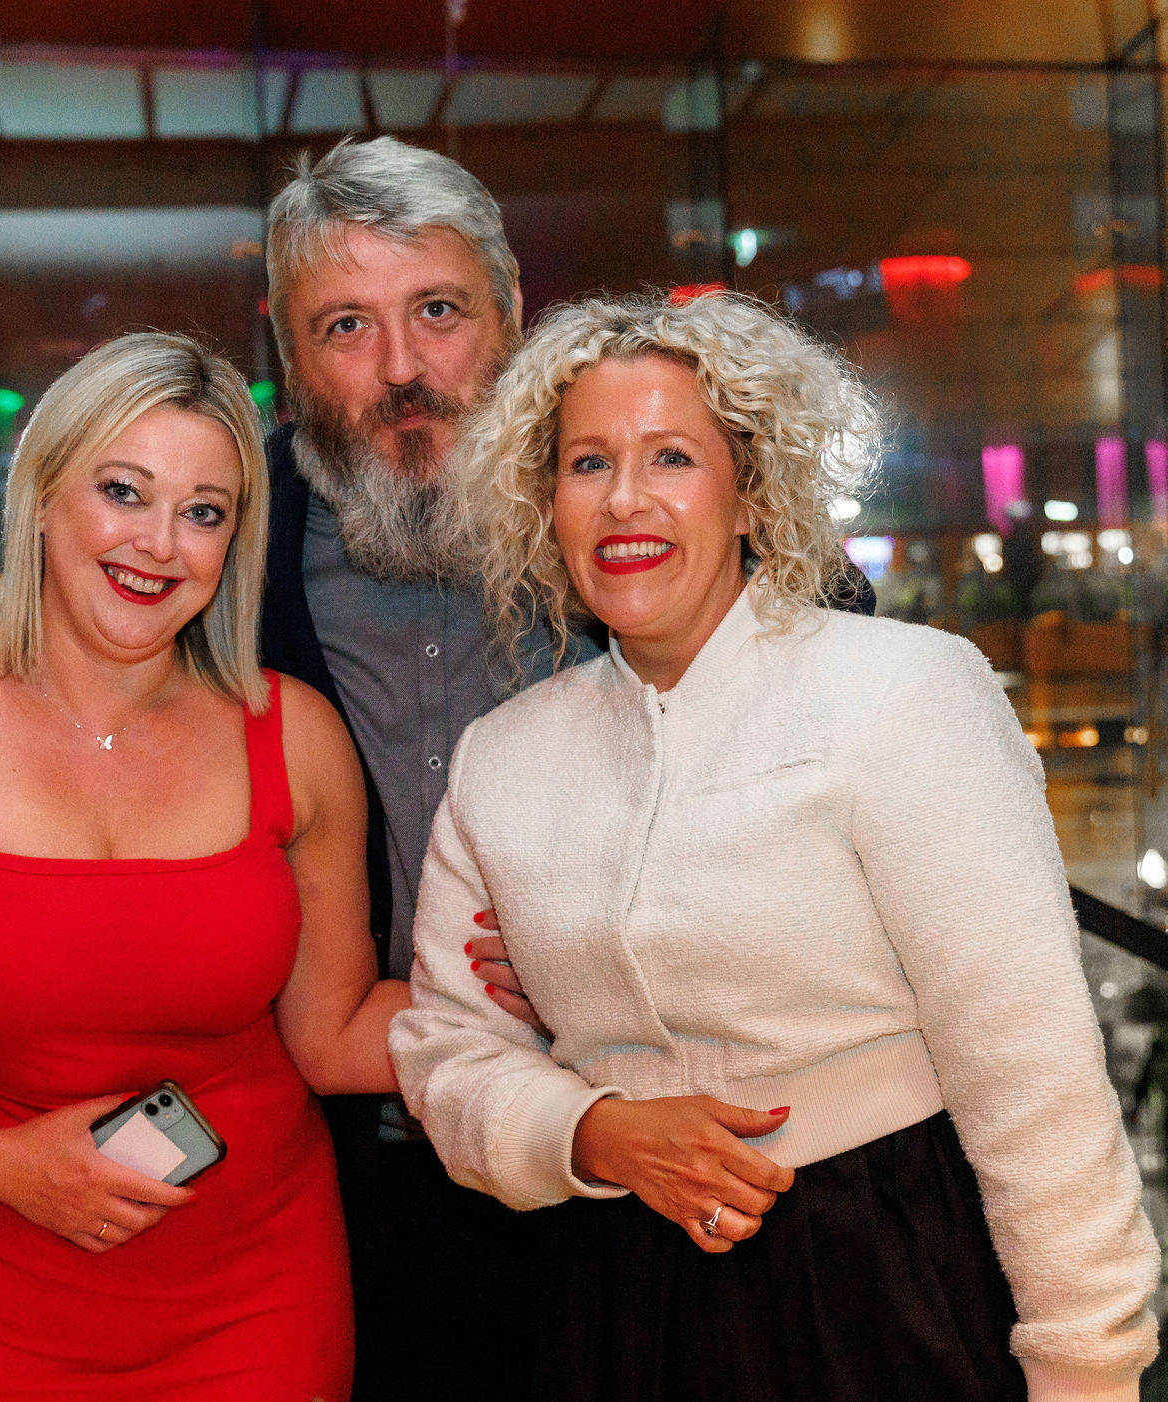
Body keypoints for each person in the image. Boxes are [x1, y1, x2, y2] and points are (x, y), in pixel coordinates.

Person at [390, 291, 1161, 1401]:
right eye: (588, 464)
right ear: (543, 505)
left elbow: (1028, 1064)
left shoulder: (903, 692)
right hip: (609, 1290)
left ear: (752, 494)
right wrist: (588, 1131)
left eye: (671, 456)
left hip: (886, 1265)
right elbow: (446, 1051)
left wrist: (1089, 1364)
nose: (624, 498)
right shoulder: (502, 757)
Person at [260, 136, 872, 1400]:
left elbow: (842, 771)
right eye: (344, 326)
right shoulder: (232, 549)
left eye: (437, 312)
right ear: (287, 352)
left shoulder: (641, 504)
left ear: (509, 315)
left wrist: (597, 950)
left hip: (678, 1168)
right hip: (356, 1182)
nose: (401, 368)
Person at [0, 332, 402, 1401]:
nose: (160, 544)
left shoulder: (293, 736)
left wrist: (552, 1004)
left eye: (204, 512)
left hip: (259, 1287)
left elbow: (333, 1031)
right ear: (42, 495)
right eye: (123, 491)